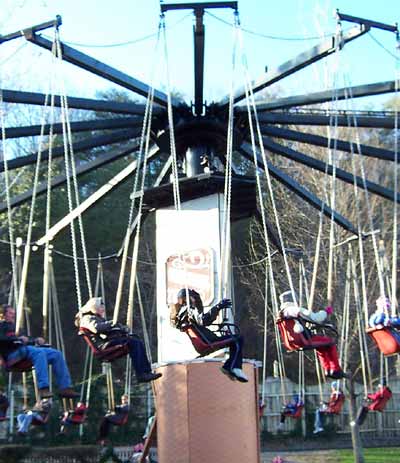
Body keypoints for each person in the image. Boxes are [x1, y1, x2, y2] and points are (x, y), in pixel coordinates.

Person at [0, 305, 79, 399]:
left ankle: (65, 387)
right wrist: (17, 339)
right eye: (10, 313)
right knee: (38, 352)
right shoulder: (2, 326)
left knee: (56, 354)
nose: (13, 315)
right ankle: (43, 388)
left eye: (13, 313)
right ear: (3, 315)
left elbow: (26, 339)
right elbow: (3, 339)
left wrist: (36, 340)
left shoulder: (16, 328)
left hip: (25, 352)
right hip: (12, 356)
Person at [76, 298, 161, 383]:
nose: (103, 310)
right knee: (133, 343)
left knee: (136, 340)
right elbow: (96, 328)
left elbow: (105, 327)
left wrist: (121, 328)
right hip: (104, 346)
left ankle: (145, 371)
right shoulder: (87, 319)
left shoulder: (96, 318)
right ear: (94, 308)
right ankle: (141, 374)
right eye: (101, 307)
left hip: (108, 342)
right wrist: (112, 323)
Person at [171, 288, 248, 382]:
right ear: (187, 299)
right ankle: (234, 367)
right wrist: (218, 307)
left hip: (205, 341)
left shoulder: (182, 314)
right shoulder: (189, 309)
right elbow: (203, 320)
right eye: (193, 298)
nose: (195, 300)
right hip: (208, 341)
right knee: (238, 339)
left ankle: (229, 366)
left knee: (234, 341)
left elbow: (202, 322)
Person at [279, 291, 346, 380]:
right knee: (330, 342)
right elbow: (315, 318)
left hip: (293, 341)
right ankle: (336, 369)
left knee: (321, 346)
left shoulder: (282, 313)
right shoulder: (294, 310)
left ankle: (328, 369)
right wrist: (325, 312)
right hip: (302, 339)